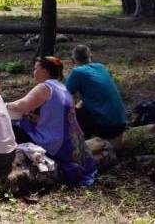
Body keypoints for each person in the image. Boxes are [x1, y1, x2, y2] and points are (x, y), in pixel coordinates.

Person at [8, 57, 97, 186]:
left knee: (12, 125)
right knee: (24, 121)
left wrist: (3, 105)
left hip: (55, 142)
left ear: (44, 71)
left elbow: (22, 106)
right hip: (71, 142)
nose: (33, 72)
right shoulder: (62, 88)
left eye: (35, 68)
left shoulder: (44, 87)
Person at [66, 45, 128, 139]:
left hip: (106, 127)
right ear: (90, 55)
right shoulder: (101, 67)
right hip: (121, 122)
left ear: (73, 59)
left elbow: (64, 96)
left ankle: (81, 145)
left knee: (68, 114)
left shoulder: (77, 72)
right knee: (80, 108)